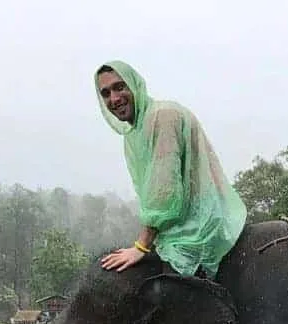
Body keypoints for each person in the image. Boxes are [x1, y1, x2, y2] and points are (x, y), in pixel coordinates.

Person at [94, 60, 248, 279]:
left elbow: (164, 191)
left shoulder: (162, 116)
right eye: (106, 93)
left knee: (164, 298)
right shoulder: (133, 134)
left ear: (135, 85)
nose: (114, 98)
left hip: (199, 225)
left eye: (120, 87)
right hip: (173, 229)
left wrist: (141, 246)